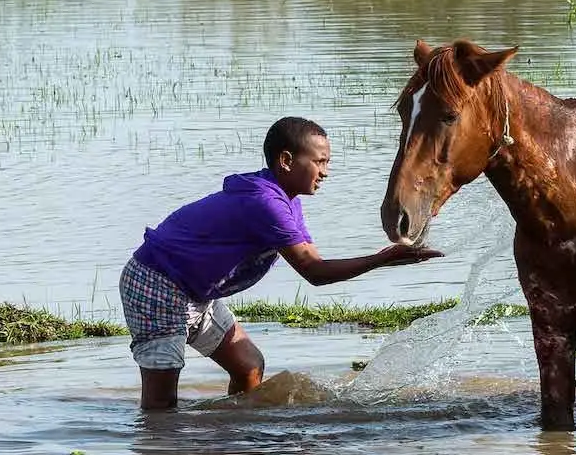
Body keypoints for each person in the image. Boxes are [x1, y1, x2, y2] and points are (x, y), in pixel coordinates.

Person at [120, 116, 439, 409]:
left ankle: (231, 437)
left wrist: (384, 258)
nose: (325, 172)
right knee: (161, 406)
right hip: (157, 285)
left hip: (194, 291)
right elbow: (314, 272)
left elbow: (314, 260)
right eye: (320, 162)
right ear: (286, 161)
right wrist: (381, 259)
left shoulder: (287, 201)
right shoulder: (266, 203)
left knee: (248, 365)